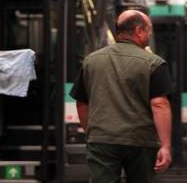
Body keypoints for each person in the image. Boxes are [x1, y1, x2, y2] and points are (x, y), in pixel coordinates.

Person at [70, 10, 172, 183]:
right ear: (139, 31)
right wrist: (165, 146)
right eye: (149, 30)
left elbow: (82, 103)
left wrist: (94, 133)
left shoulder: (91, 61)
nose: (149, 34)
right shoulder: (154, 63)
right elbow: (160, 104)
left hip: (102, 139)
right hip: (141, 140)